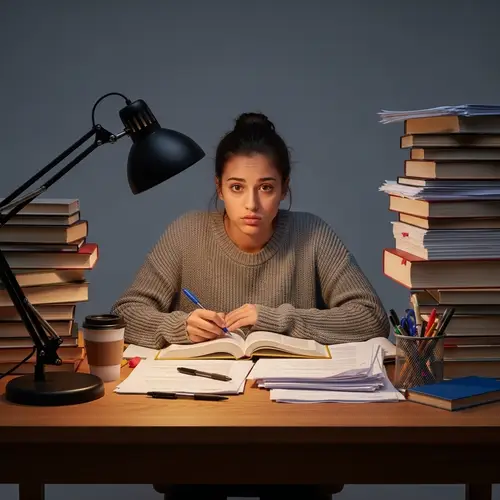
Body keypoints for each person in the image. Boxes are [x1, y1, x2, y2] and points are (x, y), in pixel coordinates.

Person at [111, 112, 390, 499]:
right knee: (191, 479)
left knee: (300, 481)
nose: (252, 204)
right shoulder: (187, 231)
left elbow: (372, 318)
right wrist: (179, 327)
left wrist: (279, 319)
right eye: (237, 187)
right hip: (199, 422)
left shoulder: (311, 233)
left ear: (285, 188)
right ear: (219, 188)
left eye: (266, 187)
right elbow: (124, 314)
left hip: (295, 424)